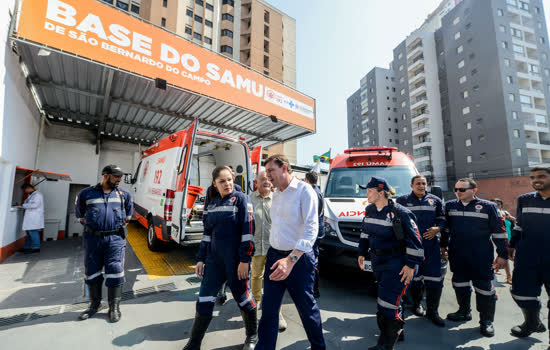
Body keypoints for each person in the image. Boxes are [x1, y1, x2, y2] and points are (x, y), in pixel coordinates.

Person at [257, 154, 326, 350]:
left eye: (271, 170)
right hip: (274, 256)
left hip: (299, 259)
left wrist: (291, 259)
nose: (267, 175)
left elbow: (311, 230)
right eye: (267, 171)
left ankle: (318, 347)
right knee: (269, 309)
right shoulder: (276, 193)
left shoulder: (305, 191)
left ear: (285, 168)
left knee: (306, 308)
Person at [185, 166, 257, 350]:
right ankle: (194, 343)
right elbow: (207, 233)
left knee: (244, 299)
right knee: (204, 299)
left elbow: (248, 232)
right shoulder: (211, 204)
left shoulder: (242, 199)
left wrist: (245, 260)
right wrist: (201, 258)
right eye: (222, 181)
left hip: (236, 262)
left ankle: (251, 336)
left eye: (229, 180)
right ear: (215, 184)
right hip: (214, 262)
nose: (227, 184)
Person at [358, 177, 424, 350]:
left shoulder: (401, 212)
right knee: (390, 300)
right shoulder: (370, 209)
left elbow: (415, 241)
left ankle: (385, 346)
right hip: (378, 262)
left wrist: (410, 265)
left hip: (398, 264)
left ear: (381, 193)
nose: (366, 194)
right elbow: (365, 233)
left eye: (369, 191)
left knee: (387, 304)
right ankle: (396, 333)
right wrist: (361, 252)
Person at [441, 178, 508, 337]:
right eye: (456, 189)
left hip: (481, 254)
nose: (458, 192)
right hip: (457, 253)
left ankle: (486, 321)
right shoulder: (450, 206)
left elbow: (499, 232)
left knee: (484, 289)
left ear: (474, 190)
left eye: (462, 190)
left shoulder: (488, 207)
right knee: (459, 284)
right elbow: (446, 229)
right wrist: (443, 245)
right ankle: (464, 312)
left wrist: (502, 255)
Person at [76, 165, 133, 323]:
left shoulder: (125, 195)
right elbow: (80, 216)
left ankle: (114, 307)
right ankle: (94, 305)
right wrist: (96, 229)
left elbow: (128, 217)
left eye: (120, 177)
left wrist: (111, 230)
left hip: (115, 239)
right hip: (93, 239)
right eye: (116, 176)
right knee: (92, 271)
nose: (119, 179)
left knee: (115, 270)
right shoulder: (86, 193)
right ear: (106, 176)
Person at [396, 175, 446, 327]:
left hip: (431, 246)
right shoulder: (402, 201)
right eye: (418, 183)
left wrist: (438, 228)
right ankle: (417, 305)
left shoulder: (435, 200)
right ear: (411, 185)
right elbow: (396, 222)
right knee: (414, 278)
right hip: (411, 247)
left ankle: (433, 311)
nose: (421, 186)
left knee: (435, 279)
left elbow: (443, 218)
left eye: (423, 183)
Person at [509, 166, 550, 340]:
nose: (536, 180)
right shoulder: (524, 200)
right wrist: (511, 246)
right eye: (532, 177)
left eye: (541, 176)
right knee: (520, 292)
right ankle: (532, 323)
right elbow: (518, 226)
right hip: (527, 257)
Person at [249, 170, 287, 332]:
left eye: (268, 180)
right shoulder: (248, 199)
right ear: (256, 182)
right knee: (256, 276)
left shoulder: (279, 199)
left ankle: (277, 312)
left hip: (274, 248)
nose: (266, 182)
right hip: (256, 246)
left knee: (275, 280)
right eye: (262, 179)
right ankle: (255, 306)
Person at [304, 171, 324, 299]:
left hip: (314, 232)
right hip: (319, 230)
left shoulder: (311, 192)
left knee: (312, 260)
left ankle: (314, 289)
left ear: (306, 180)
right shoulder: (319, 191)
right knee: (314, 258)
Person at [490, 198, 515, 284]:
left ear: (501, 206)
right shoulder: (490, 214)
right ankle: (509, 277)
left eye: (498, 204)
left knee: (502, 253)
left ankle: (495, 267)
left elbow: (515, 221)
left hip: (508, 236)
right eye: (494, 204)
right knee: (505, 254)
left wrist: (509, 218)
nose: (496, 206)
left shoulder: (506, 213)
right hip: (496, 237)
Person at [20, 183, 45, 254]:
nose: (25, 192)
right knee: (29, 232)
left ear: (28, 188)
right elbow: (28, 203)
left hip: (34, 217)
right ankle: (26, 247)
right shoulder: (32, 195)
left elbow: (35, 205)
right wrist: (24, 204)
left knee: (32, 231)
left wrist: (23, 205)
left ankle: (36, 247)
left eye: (25, 190)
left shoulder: (38, 195)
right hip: (31, 217)